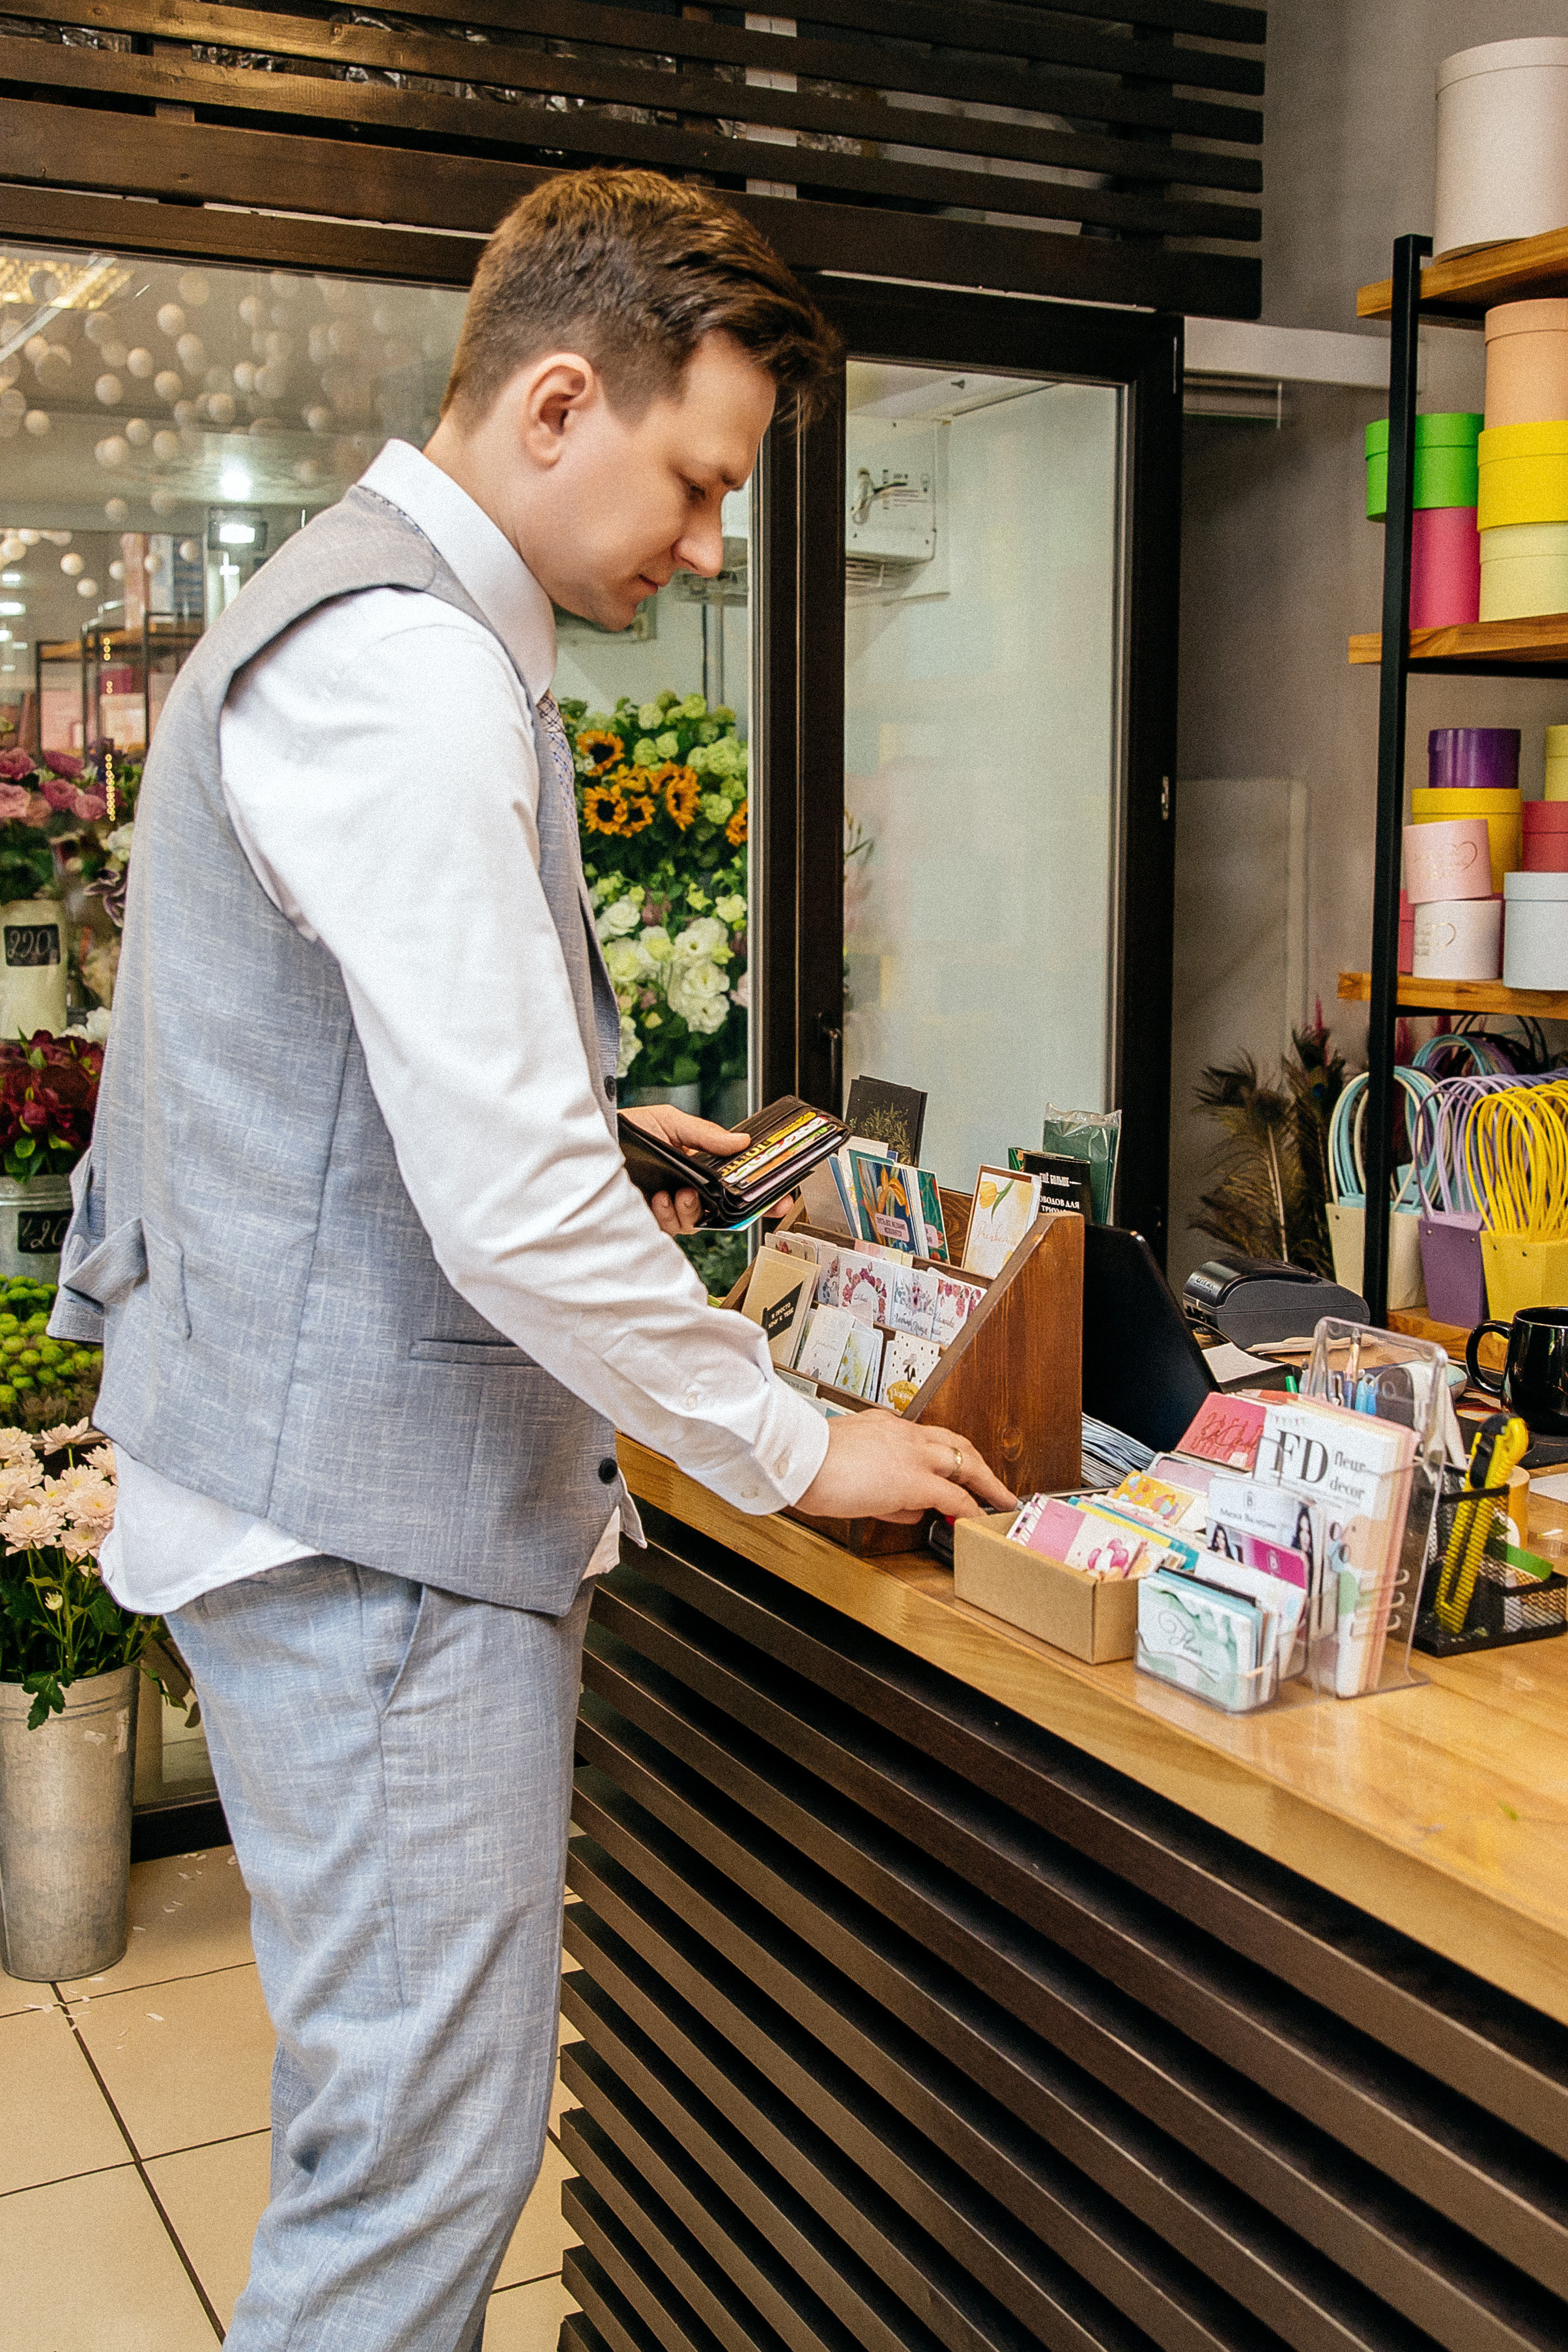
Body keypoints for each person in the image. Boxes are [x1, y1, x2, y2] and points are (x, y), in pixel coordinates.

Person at [54, 169, 1012, 2350]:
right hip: (376, 1544)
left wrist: (601, 1126)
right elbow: (503, 1210)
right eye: (700, 483)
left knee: (382, 2143)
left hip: (312, 1504)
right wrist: (801, 1445)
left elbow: (365, 1078)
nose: (709, 548)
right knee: (418, 2179)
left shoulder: (363, 624)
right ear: (561, 400)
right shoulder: (407, 671)